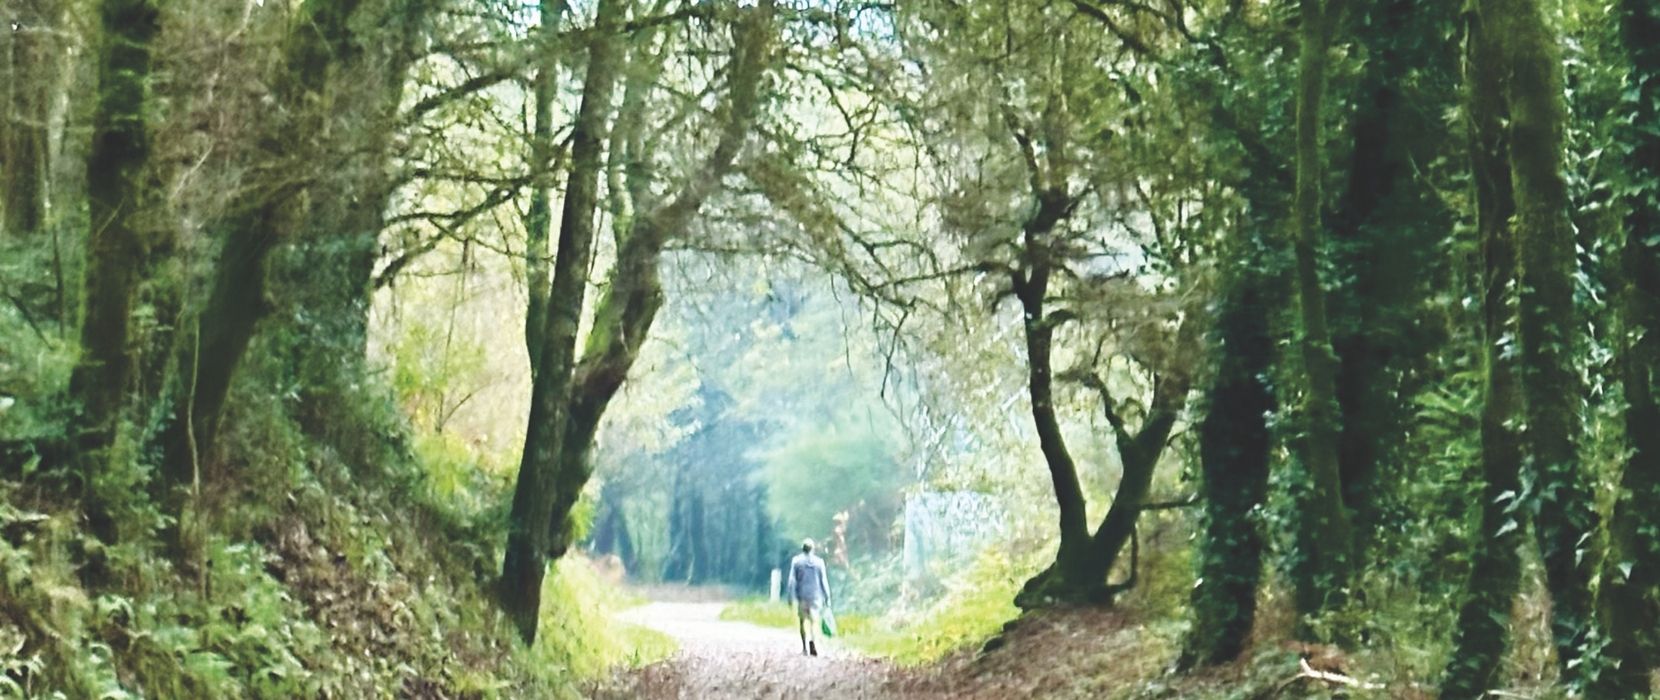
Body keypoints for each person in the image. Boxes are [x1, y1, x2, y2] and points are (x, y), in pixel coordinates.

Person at [786, 538, 831, 656]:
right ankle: (813, 642)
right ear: (813, 549)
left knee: (802, 622)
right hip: (816, 597)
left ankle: (805, 647)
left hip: (802, 596)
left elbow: (792, 581)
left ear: (802, 549)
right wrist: (827, 597)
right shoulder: (819, 562)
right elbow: (823, 581)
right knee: (814, 621)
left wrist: (790, 596)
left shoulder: (796, 562)